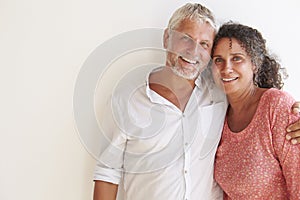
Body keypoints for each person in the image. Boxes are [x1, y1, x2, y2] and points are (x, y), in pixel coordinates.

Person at [93, 3, 300, 200]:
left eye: (204, 44)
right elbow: (107, 171)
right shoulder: (127, 98)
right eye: (185, 38)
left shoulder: (221, 94)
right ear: (166, 38)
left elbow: (265, 105)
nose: (193, 50)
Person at [212, 22, 300, 199]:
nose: (226, 68)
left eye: (236, 58)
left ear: (254, 64)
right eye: (218, 60)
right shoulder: (219, 118)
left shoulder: (277, 106)